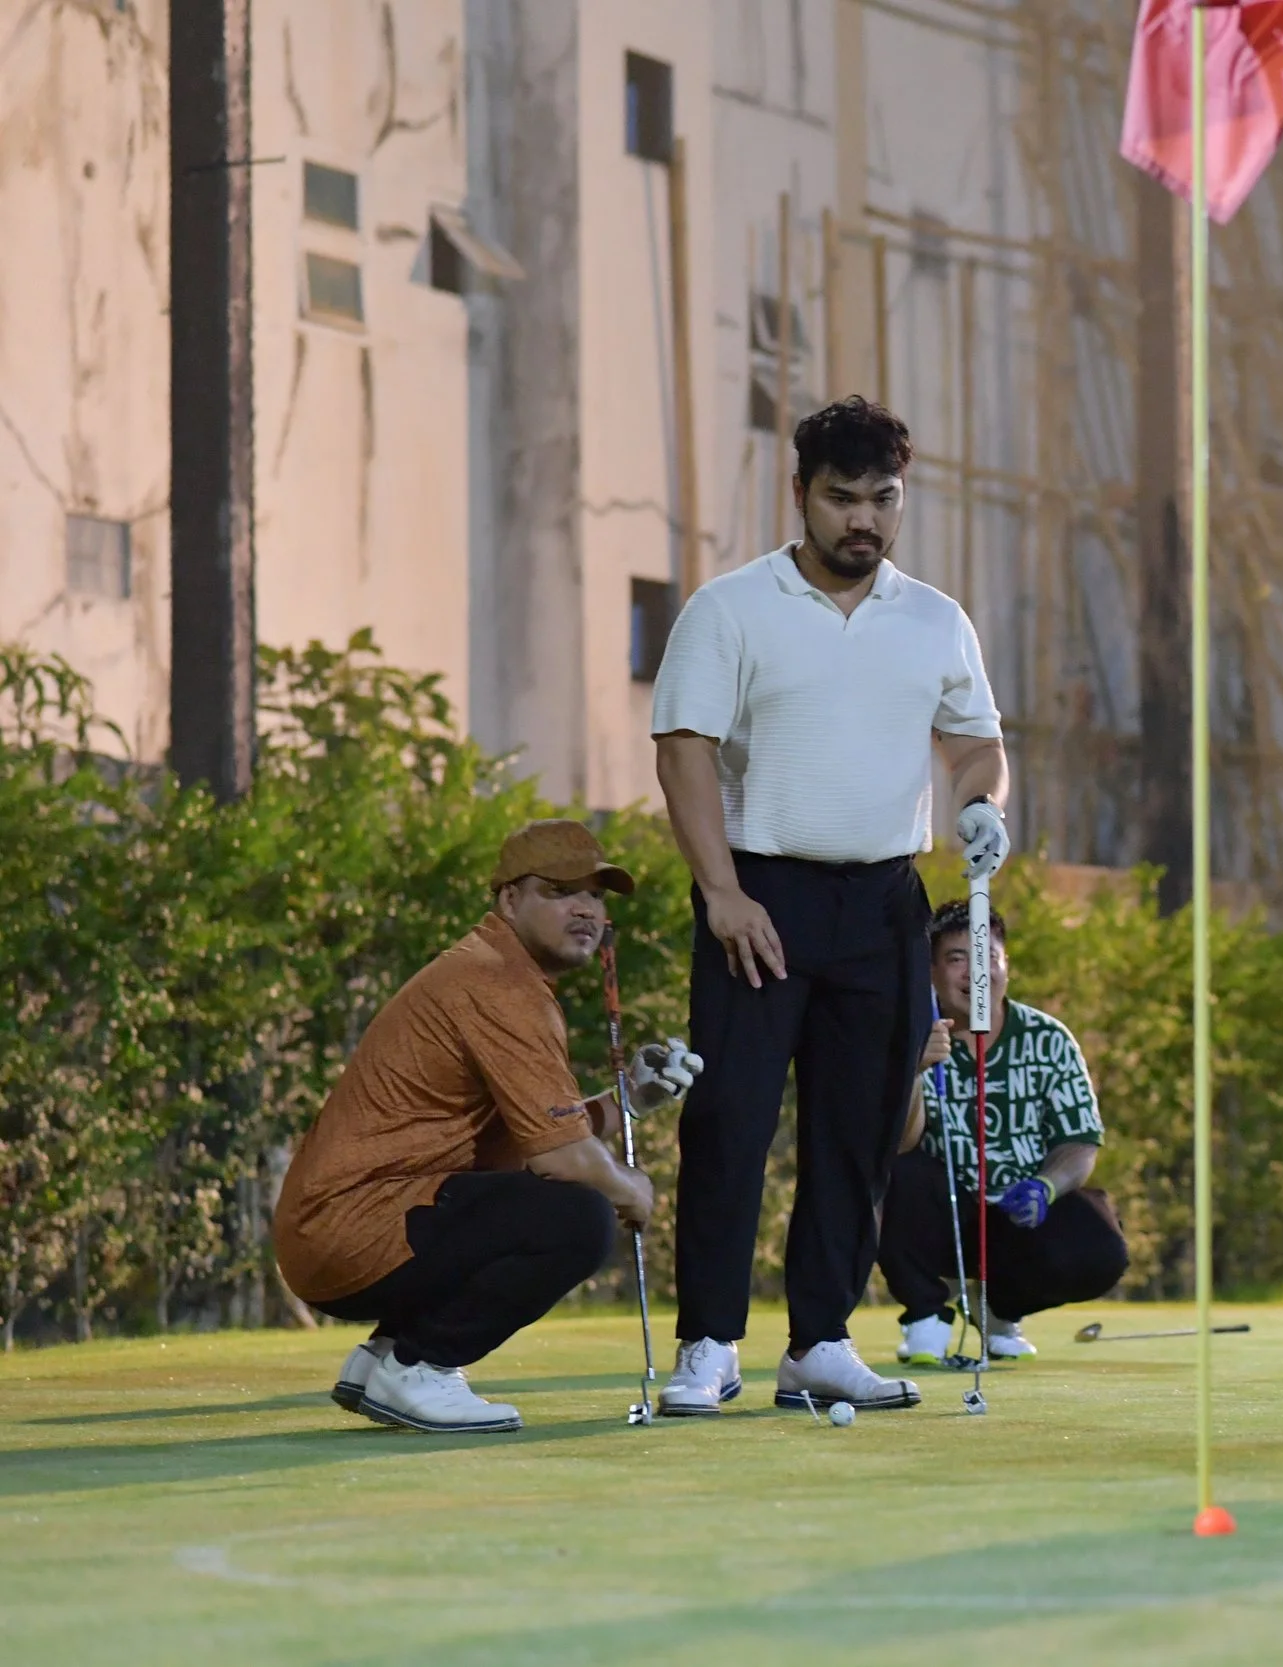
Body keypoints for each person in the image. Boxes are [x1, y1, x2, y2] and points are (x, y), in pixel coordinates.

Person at [649, 396, 1011, 1416]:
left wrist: (984, 803)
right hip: (760, 892)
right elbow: (683, 747)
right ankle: (709, 1342)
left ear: (901, 499)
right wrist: (720, 892)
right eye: (841, 497)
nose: (863, 519)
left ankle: (818, 1340)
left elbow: (975, 740)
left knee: (858, 1130)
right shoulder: (728, 608)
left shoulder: (936, 619)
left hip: (887, 901)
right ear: (799, 493)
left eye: (882, 499)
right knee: (728, 1120)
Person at [274, 820, 702, 1434]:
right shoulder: (500, 984)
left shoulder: (492, 968)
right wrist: (632, 1189)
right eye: (560, 891)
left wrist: (629, 1099)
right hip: (355, 1232)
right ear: (509, 900)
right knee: (578, 1219)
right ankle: (420, 1365)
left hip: (347, 1226)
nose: (585, 909)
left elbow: (536, 1139)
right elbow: (562, 1160)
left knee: (538, 1200)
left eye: (596, 896)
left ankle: (384, 1357)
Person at [879, 901, 1128, 1363]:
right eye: (957, 959)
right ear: (931, 971)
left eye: (988, 958)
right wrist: (916, 1070)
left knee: (1101, 1245)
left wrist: (1045, 1186)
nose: (975, 973)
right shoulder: (910, 1035)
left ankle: (997, 1309)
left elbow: (1079, 1142)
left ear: (1005, 966)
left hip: (1018, 1214)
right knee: (895, 1176)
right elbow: (900, 1145)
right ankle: (926, 1314)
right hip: (944, 1211)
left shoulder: (1049, 1038)